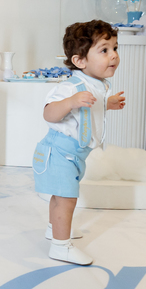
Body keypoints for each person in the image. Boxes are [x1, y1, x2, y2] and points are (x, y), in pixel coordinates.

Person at [32, 20, 125, 265]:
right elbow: (49, 113)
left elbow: (90, 108)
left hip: (73, 155)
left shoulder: (97, 85)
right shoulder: (70, 87)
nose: (114, 55)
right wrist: (69, 102)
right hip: (59, 152)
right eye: (104, 50)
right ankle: (60, 247)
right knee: (66, 199)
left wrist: (108, 103)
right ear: (80, 61)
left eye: (115, 48)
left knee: (60, 196)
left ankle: (54, 229)